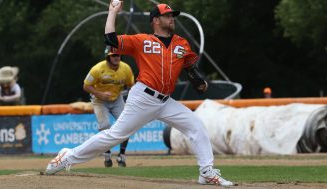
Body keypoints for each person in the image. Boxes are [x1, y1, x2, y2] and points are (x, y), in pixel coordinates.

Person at [46, 2, 233, 186]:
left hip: (166, 101)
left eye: (172, 15)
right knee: (114, 136)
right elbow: (111, 39)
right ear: (156, 20)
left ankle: (206, 172)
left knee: (197, 126)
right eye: (167, 15)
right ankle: (67, 156)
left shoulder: (181, 43)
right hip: (143, 98)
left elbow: (190, 67)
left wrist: (199, 81)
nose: (171, 18)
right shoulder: (142, 41)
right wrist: (112, 12)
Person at [83, 47, 135, 167]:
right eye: (113, 55)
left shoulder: (125, 68)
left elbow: (132, 85)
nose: (116, 57)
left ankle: (122, 156)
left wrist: (130, 99)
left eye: (118, 55)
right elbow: (86, 86)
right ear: (108, 57)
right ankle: (107, 154)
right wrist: (100, 94)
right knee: (105, 126)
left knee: (127, 125)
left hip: (117, 99)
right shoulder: (97, 69)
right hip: (99, 100)